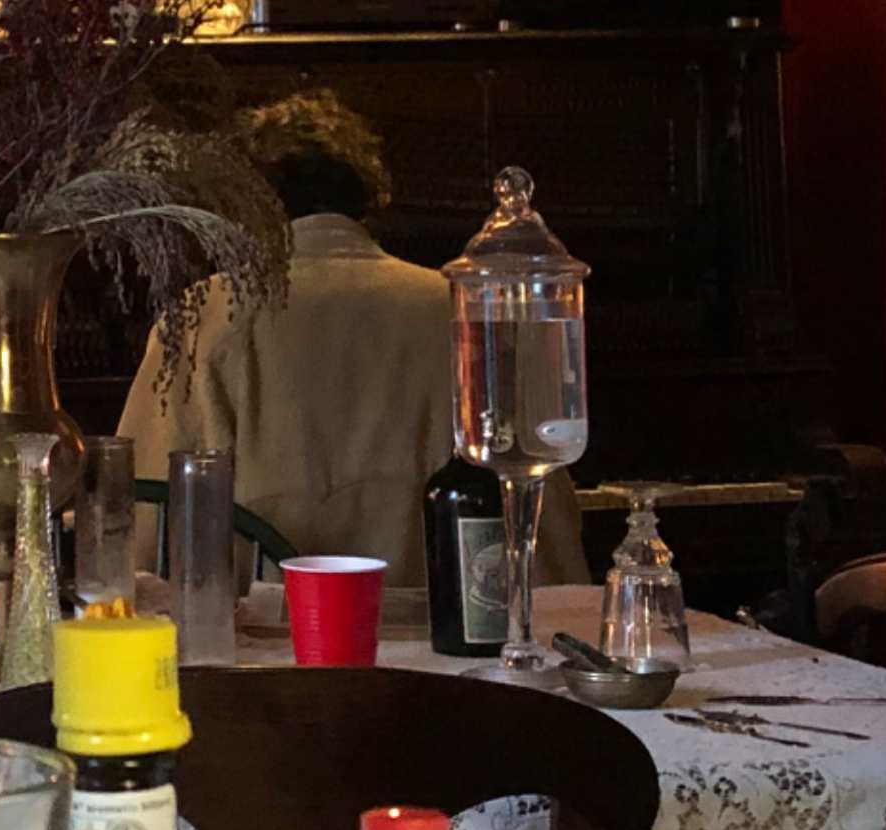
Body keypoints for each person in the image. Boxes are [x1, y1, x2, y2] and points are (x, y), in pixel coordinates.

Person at [117, 92, 583, 585]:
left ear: (243, 204)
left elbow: (145, 524)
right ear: (365, 195)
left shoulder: (202, 317)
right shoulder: (457, 308)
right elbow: (541, 528)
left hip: (266, 626)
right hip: (447, 621)